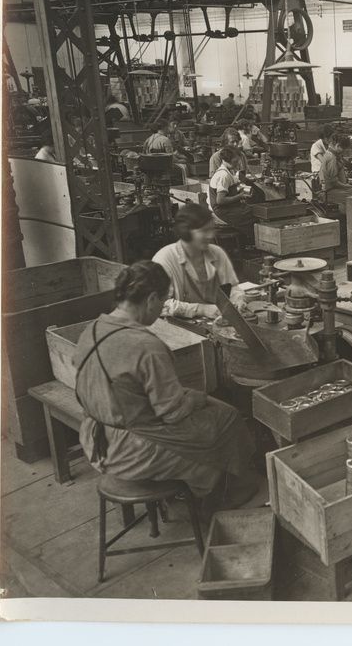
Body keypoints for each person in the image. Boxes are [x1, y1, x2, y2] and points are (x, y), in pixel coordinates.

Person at [73, 260, 259, 507]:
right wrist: (197, 397)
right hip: (129, 450)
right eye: (162, 301)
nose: (161, 307)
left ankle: (207, 481)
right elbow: (173, 413)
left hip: (94, 436)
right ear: (150, 300)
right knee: (227, 417)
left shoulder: (93, 329)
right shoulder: (146, 346)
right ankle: (218, 495)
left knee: (212, 409)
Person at [152, 203, 240, 319]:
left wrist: (238, 299)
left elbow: (233, 287)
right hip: (179, 327)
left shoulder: (217, 253)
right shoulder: (164, 259)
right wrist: (201, 309)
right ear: (185, 231)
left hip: (216, 320)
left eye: (211, 230)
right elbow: (158, 305)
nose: (210, 235)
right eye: (204, 231)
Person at [209, 147, 253, 226]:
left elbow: (229, 189)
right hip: (221, 211)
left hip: (227, 208)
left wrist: (240, 189)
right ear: (226, 160)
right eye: (235, 161)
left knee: (251, 209)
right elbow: (220, 200)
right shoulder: (223, 175)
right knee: (252, 215)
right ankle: (250, 237)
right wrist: (240, 196)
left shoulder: (229, 170)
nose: (237, 164)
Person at [320, 135, 352, 208]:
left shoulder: (330, 153)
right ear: (338, 145)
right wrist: (347, 186)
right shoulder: (332, 158)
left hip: (334, 189)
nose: (344, 151)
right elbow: (334, 182)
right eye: (343, 149)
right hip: (330, 192)